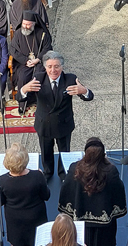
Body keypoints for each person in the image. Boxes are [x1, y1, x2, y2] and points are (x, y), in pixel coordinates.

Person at [21, 50, 94, 180]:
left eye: (57, 66)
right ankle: (47, 173)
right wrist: (24, 89)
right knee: (46, 152)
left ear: (62, 67)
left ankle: (63, 174)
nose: (53, 70)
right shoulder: (38, 78)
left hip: (63, 124)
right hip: (44, 124)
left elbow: (89, 97)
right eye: (49, 66)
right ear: (45, 67)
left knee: (64, 152)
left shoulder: (70, 79)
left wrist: (84, 91)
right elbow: (21, 99)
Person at [59, 137, 127, 246]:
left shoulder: (75, 168)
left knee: (81, 240)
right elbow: (118, 190)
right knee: (100, 243)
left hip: (81, 218)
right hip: (103, 220)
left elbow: (66, 189)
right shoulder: (110, 171)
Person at [0, 143, 50, 246]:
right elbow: (46, 196)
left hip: (15, 218)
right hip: (36, 215)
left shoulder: (2, 181)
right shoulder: (37, 176)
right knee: (37, 242)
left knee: (16, 243)